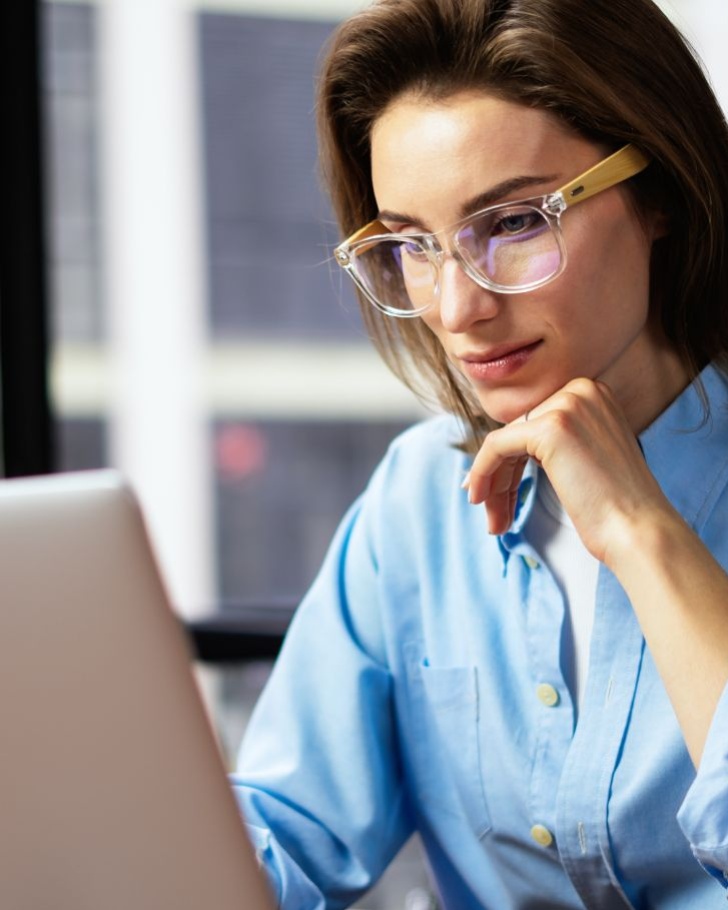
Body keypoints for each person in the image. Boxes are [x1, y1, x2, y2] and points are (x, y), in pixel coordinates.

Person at [231, 0, 728, 906]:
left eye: (515, 223)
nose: (457, 309)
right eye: (412, 245)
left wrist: (641, 532)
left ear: (658, 193)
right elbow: (284, 841)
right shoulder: (421, 497)